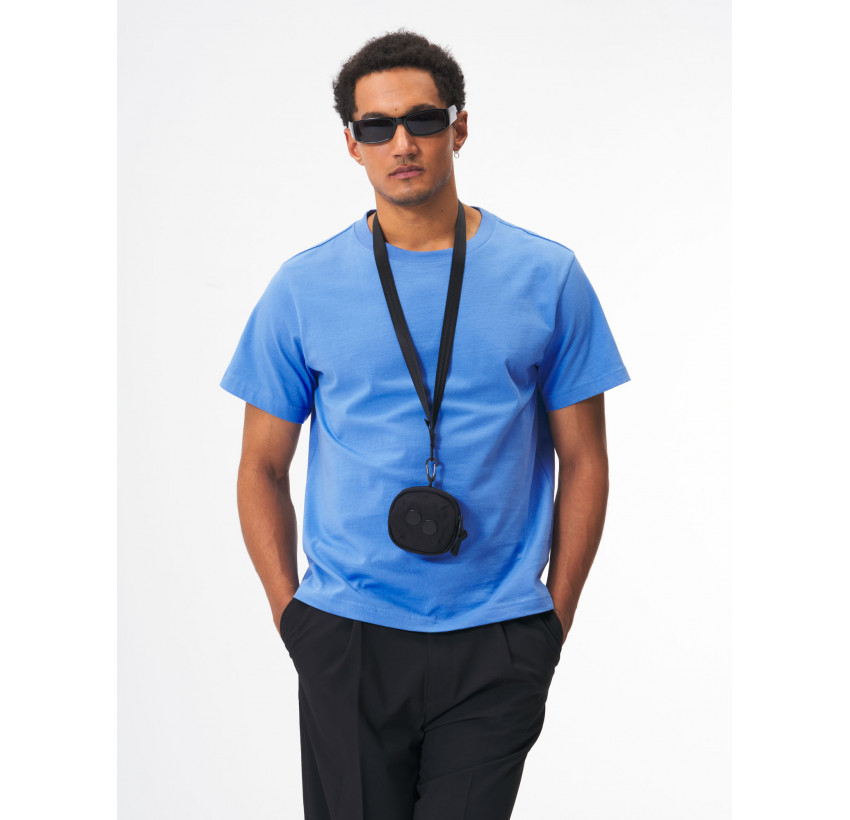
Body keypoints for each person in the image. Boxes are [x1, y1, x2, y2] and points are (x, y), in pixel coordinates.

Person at [220, 29, 629, 820]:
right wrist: (294, 617)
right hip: (349, 634)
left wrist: (552, 618)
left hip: (498, 636)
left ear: (459, 127)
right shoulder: (303, 287)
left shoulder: (547, 276)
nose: (401, 143)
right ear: (352, 143)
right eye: (376, 127)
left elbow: (585, 459)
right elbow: (260, 466)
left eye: (422, 120)